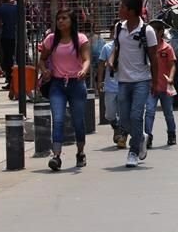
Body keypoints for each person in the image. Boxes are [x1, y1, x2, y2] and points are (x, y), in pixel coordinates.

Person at [38, 9, 91, 171]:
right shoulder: (51, 39)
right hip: (57, 85)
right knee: (58, 119)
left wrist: (84, 70)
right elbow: (42, 59)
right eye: (58, 18)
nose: (60, 21)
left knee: (78, 121)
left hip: (76, 84)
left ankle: (80, 152)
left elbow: (87, 59)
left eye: (64, 18)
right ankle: (56, 156)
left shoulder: (80, 39)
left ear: (71, 21)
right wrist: (44, 70)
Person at [111, 0, 159, 168]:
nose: (119, 10)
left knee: (136, 115)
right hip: (123, 80)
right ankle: (140, 137)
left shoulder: (147, 31)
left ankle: (133, 152)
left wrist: (156, 82)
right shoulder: (119, 28)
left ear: (131, 11)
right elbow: (116, 48)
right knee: (124, 120)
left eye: (121, 7)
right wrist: (111, 61)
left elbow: (154, 58)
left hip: (141, 80)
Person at [143, 19, 177, 148]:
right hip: (151, 86)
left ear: (161, 32)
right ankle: (148, 137)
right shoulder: (147, 48)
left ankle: (172, 134)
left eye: (153, 32)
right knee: (149, 111)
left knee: (168, 112)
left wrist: (171, 78)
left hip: (165, 86)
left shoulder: (167, 48)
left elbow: (172, 65)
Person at [97, 28, 120, 140]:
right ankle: (116, 127)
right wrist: (100, 81)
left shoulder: (127, 47)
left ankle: (120, 135)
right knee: (110, 114)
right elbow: (101, 65)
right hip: (110, 86)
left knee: (122, 112)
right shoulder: (106, 48)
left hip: (124, 85)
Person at [0, 0, 18, 89]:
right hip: (17, 36)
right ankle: (16, 80)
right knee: (16, 58)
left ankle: (10, 80)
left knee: (8, 60)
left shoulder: (0, 9)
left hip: (6, 36)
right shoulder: (17, 7)